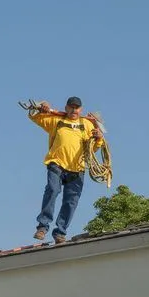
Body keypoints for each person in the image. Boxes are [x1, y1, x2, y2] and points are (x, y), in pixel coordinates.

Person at [28, 96, 103, 244]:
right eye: (71, 107)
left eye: (77, 107)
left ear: (80, 109)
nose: (74, 110)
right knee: (53, 189)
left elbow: (92, 148)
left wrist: (99, 138)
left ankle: (60, 232)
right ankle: (43, 227)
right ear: (66, 107)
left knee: (71, 201)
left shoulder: (86, 124)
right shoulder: (57, 121)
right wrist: (40, 106)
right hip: (57, 164)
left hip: (77, 169)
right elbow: (34, 117)